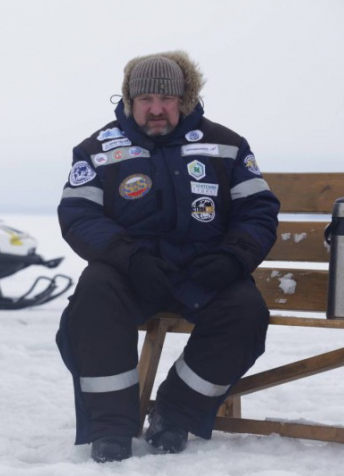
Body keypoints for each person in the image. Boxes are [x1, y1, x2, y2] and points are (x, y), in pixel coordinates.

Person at [55, 50, 280, 463]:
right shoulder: (95, 149)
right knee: (92, 297)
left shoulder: (228, 146)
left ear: (185, 98)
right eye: (145, 100)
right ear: (128, 100)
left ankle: (175, 414)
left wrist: (233, 259)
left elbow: (258, 211)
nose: (156, 109)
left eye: (166, 99)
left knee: (246, 311)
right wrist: (129, 258)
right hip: (131, 270)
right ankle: (110, 428)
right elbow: (78, 215)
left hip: (204, 270)